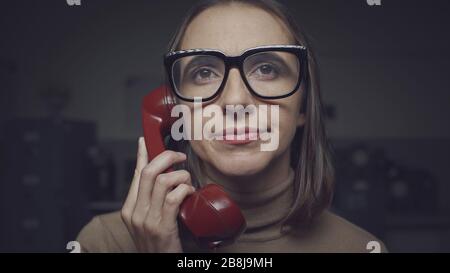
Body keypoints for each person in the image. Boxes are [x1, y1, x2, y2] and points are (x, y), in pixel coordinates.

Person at [77, 0, 387, 253]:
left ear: (303, 105)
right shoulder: (103, 244)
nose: (235, 100)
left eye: (267, 69)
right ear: (176, 108)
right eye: (203, 72)